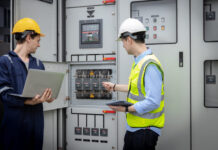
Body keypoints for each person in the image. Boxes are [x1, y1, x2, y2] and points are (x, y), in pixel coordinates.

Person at [102, 18, 165, 150]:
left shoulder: (150, 65)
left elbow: (153, 101)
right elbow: (136, 88)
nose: (123, 45)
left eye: (123, 42)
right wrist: (114, 87)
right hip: (136, 129)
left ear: (129, 39)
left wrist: (126, 109)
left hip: (144, 132)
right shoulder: (139, 62)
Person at [0, 18, 55, 150]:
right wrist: (28, 102)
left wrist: (47, 96)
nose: (39, 45)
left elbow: (42, 90)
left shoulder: (38, 63)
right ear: (29, 37)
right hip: (15, 125)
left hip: (36, 124)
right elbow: (4, 93)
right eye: (38, 40)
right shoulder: (5, 62)